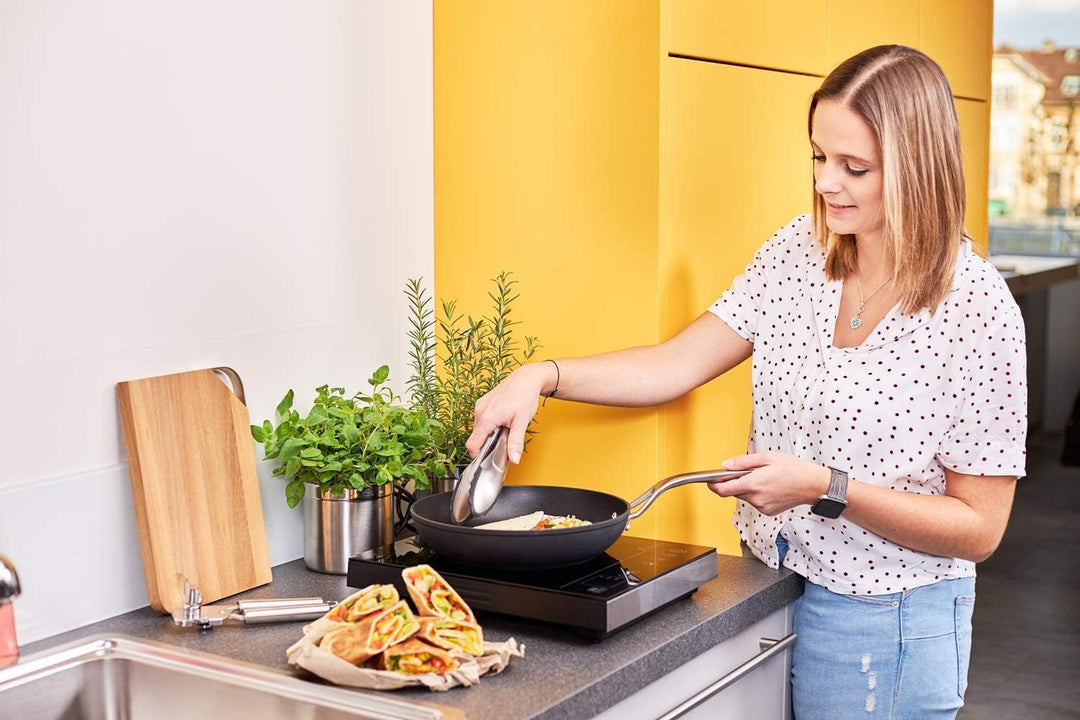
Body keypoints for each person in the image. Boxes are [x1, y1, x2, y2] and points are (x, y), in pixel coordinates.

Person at [466, 44, 1027, 719]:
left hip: (886, 624)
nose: (827, 183)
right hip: (768, 582)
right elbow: (675, 363)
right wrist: (540, 376)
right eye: (819, 157)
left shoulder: (977, 308)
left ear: (918, 169)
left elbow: (978, 527)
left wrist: (827, 488)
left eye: (856, 167)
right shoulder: (799, 253)